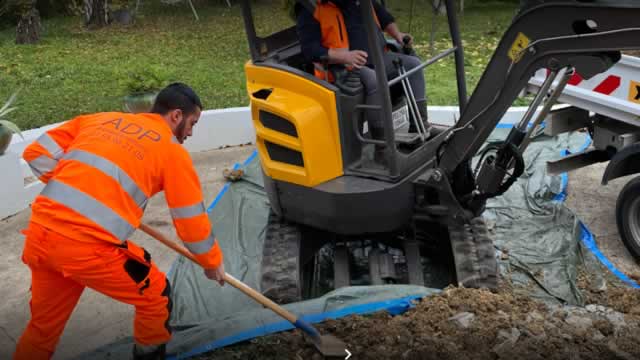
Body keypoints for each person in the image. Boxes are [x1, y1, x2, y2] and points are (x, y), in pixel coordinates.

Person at [14, 83, 225, 360]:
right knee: (156, 295)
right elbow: (190, 221)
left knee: (43, 328)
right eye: (191, 123)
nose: (190, 132)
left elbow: (35, 153)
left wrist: (80, 186)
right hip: (85, 250)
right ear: (176, 115)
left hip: (41, 238)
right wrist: (211, 263)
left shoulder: (100, 120)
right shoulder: (171, 152)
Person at [295, 0, 431, 161]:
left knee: (413, 65)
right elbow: (310, 49)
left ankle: (420, 127)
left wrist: (398, 35)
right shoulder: (311, 9)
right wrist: (344, 56)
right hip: (342, 67)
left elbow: (384, 17)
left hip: (378, 57)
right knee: (375, 80)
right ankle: (383, 151)